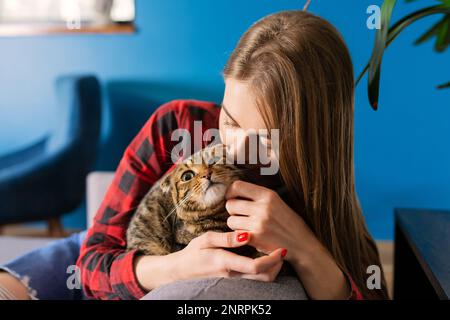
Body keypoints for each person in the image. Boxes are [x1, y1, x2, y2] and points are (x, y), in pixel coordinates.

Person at [0, 10, 389, 300]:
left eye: (266, 139)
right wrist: (179, 267)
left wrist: (303, 247)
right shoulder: (178, 126)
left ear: (314, 139)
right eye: (231, 120)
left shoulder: (319, 186)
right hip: (87, 253)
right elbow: (91, 266)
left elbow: (368, 290)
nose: (235, 149)